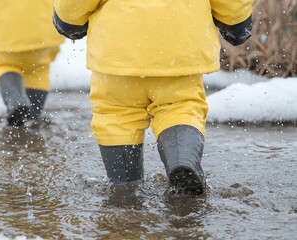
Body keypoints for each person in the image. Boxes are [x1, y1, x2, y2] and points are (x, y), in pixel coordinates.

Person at [53, 0, 253, 194]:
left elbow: (73, 6)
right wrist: (237, 23)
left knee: (116, 116)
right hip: (179, 53)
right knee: (180, 107)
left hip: (119, 55)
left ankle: (125, 189)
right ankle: (181, 161)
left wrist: (68, 21)